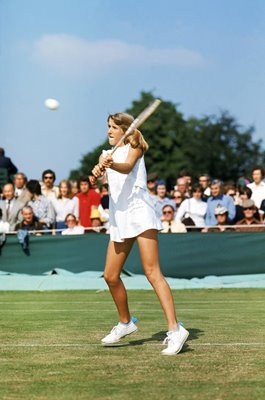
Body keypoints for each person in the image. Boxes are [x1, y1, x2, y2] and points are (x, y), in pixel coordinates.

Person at [92, 112, 189, 356]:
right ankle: (126, 323)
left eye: (114, 127)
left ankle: (175, 330)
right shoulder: (105, 154)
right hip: (119, 218)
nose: (109, 131)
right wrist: (95, 174)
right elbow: (101, 182)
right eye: (108, 127)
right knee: (110, 276)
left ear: (125, 129)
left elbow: (126, 167)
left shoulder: (134, 146)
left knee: (152, 272)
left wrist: (111, 164)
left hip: (140, 213)